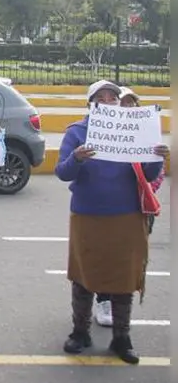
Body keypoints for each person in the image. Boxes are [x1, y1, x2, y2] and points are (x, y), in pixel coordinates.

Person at [56, 80, 169, 365]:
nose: (108, 101)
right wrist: (77, 157)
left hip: (126, 214)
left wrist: (157, 157)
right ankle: (80, 332)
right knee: (83, 275)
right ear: (90, 103)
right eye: (101, 97)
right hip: (88, 213)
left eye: (112, 97)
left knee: (124, 277)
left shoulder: (133, 130)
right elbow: (62, 172)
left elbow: (149, 171)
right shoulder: (77, 133)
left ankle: (122, 337)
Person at [93, 86, 165, 327]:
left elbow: (156, 176)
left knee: (129, 259)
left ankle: (121, 307)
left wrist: (157, 160)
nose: (128, 108)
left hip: (139, 209)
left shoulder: (147, 136)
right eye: (123, 104)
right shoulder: (102, 135)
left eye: (133, 104)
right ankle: (103, 300)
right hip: (110, 209)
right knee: (106, 256)